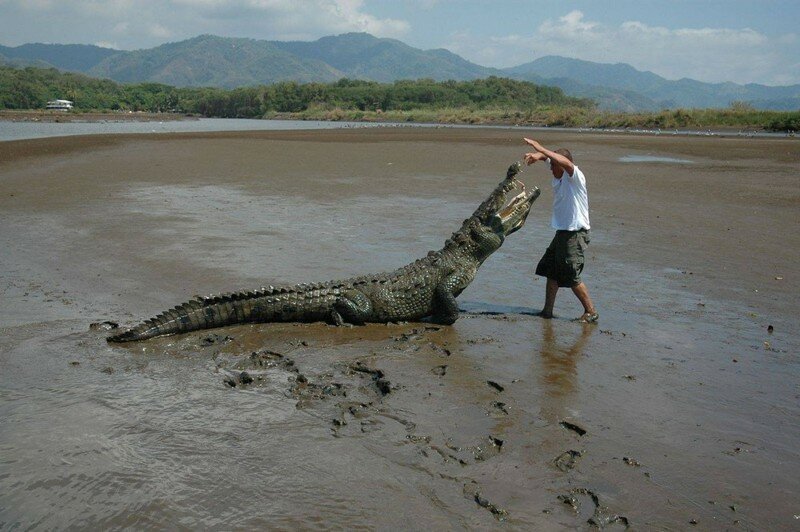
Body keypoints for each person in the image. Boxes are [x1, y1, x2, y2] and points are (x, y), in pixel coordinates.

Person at [523, 137, 598, 323]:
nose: (551, 169)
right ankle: (547, 311)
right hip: (562, 232)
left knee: (571, 274)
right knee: (551, 270)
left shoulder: (575, 176)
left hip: (575, 233)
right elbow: (551, 159)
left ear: (562, 166)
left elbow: (564, 161)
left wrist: (540, 147)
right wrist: (537, 155)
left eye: (553, 165)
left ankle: (591, 311)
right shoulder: (559, 172)